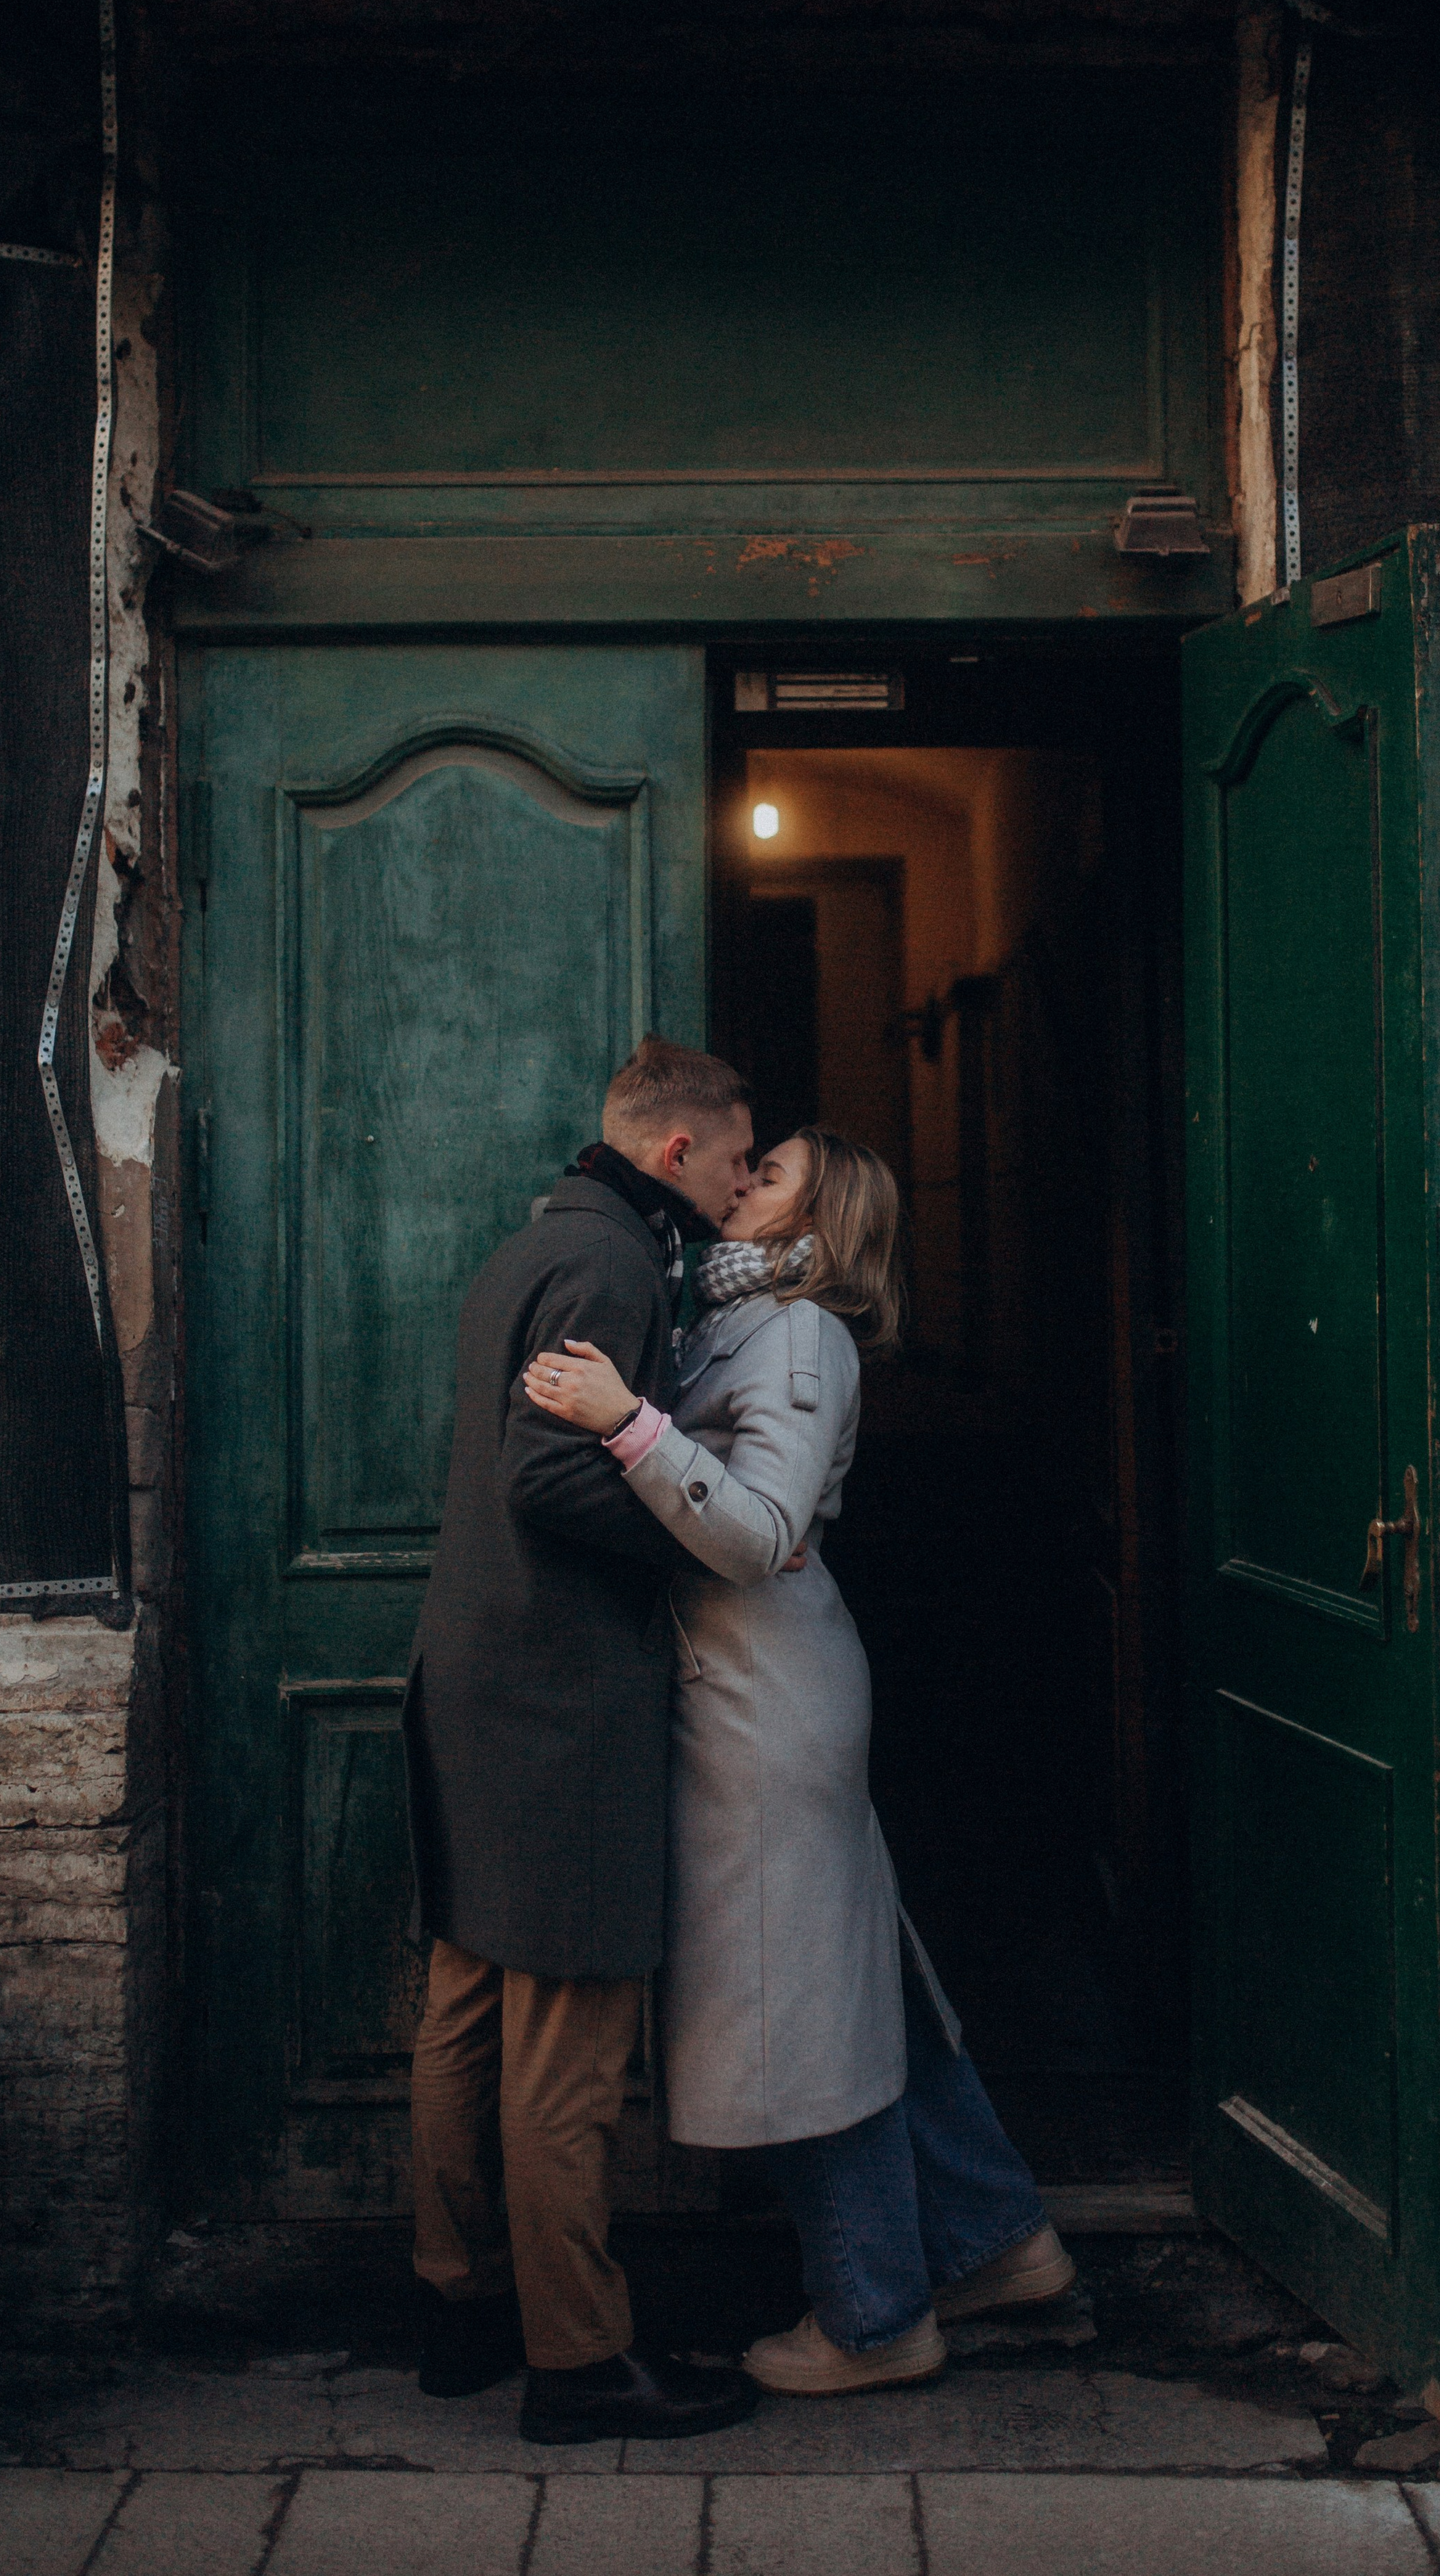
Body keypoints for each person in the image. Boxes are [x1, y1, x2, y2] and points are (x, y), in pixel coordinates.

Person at [522, 1126, 1076, 2396]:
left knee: (798, 2007)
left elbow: (764, 1525)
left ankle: (875, 2314)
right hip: (758, 1686)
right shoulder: (740, 1312)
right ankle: (1002, 2242)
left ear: (815, 1224)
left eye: (765, 1175)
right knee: (854, 1972)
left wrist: (628, 1424)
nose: (738, 1181)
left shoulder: (796, 1332)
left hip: (763, 1699)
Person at [401, 1036, 761, 2445]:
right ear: (676, 1151)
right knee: (564, 2050)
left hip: (477, 1685)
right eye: (737, 1159)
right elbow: (551, 1473)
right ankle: (578, 2359)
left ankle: (458, 2304)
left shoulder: (536, 1242)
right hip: (557, 1706)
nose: (742, 1187)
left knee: (466, 2008)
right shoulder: (614, 1264)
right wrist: (703, 1527)